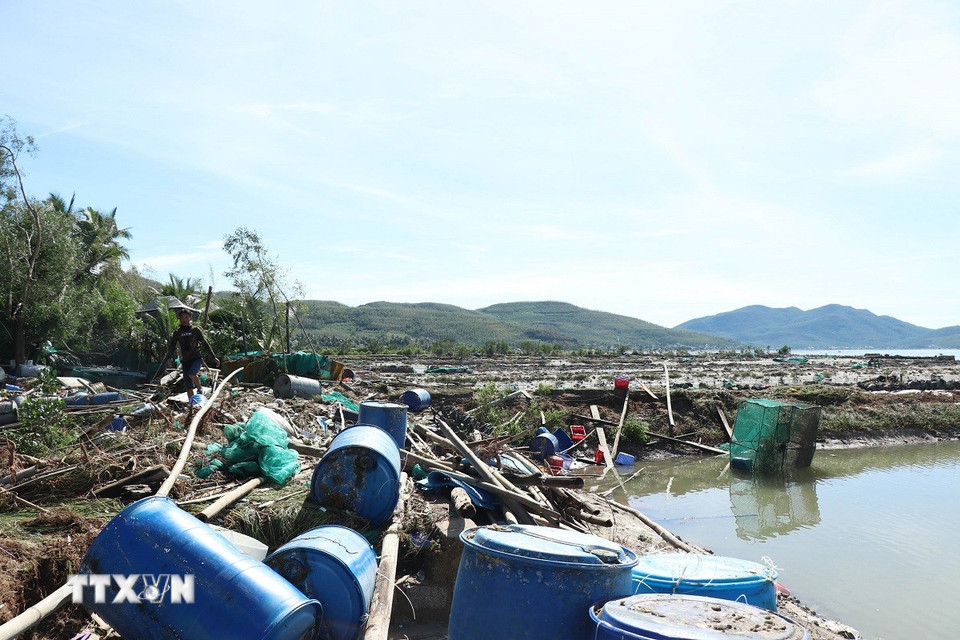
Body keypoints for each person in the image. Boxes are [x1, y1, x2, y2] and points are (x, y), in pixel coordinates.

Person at [163, 309, 220, 397]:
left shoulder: (195, 330)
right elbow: (172, 346)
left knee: (192, 373)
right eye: (182, 317)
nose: (184, 319)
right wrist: (169, 358)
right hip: (185, 361)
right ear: (180, 319)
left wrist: (213, 357)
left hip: (196, 359)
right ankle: (191, 404)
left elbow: (205, 343)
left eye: (186, 317)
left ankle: (199, 389)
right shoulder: (177, 332)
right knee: (188, 385)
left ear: (190, 318)